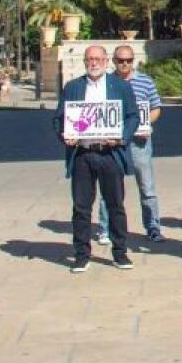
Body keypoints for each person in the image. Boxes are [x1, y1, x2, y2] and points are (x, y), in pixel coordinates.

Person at [54, 44, 140, 273]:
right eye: (89, 59)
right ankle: (81, 254)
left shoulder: (120, 87)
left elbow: (133, 117)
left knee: (115, 205)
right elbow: (60, 118)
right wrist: (65, 135)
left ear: (105, 61)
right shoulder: (73, 87)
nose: (93, 63)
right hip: (82, 154)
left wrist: (121, 137)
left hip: (110, 153)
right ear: (85, 62)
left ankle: (120, 252)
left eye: (97, 59)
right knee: (81, 207)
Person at [96, 46, 164, 244]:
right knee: (109, 186)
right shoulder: (105, 82)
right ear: (113, 61)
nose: (124, 64)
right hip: (113, 142)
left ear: (133, 60)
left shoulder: (145, 81)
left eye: (128, 60)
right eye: (120, 60)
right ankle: (105, 228)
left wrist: (146, 124)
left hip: (139, 142)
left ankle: (153, 227)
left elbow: (156, 107)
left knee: (147, 186)